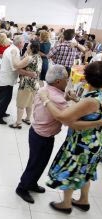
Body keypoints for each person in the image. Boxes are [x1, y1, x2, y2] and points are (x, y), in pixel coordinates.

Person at [15, 64, 102, 204]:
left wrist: (68, 99)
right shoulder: (57, 98)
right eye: (66, 79)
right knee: (35, 163)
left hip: (40, 133)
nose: (68, 81)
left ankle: (31, 183)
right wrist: (97, 123)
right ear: (58, 81)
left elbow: (62, 105)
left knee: (40, 163)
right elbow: (66, 118)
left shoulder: (46, 90)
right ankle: (22, 187)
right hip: (42, 137)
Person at [39, 61, 102, 214]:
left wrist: (45, 99)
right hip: (95, 141)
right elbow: (90, 112)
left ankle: (66, 204)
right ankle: (83, 200)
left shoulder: (90, 101)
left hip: (81, 144)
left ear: (86, 78)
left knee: (71, 170)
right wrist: (76, 101)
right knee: (85, 171)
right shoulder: (97, 95)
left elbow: (62, 117)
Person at [0, 35, 35, 124]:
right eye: (24, 42)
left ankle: (1, 112)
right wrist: (30, 74)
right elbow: (16, 67)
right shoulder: (13, 51)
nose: (24, 44)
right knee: (5, 99)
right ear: (20, 43)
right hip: (6, 79)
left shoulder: (14, 49)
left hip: (7, 78)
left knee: (4, 98)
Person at [9, 41, 42, 129]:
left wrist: (13, 54)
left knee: (21, 104)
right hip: (35, 84)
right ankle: (27, 119)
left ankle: (18, 123)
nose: (26, 47)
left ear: (32, 48)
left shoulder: (29, 58)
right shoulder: (38, 57)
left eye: (28, 47)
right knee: (30, 103)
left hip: (26, 84)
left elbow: (16, 65)